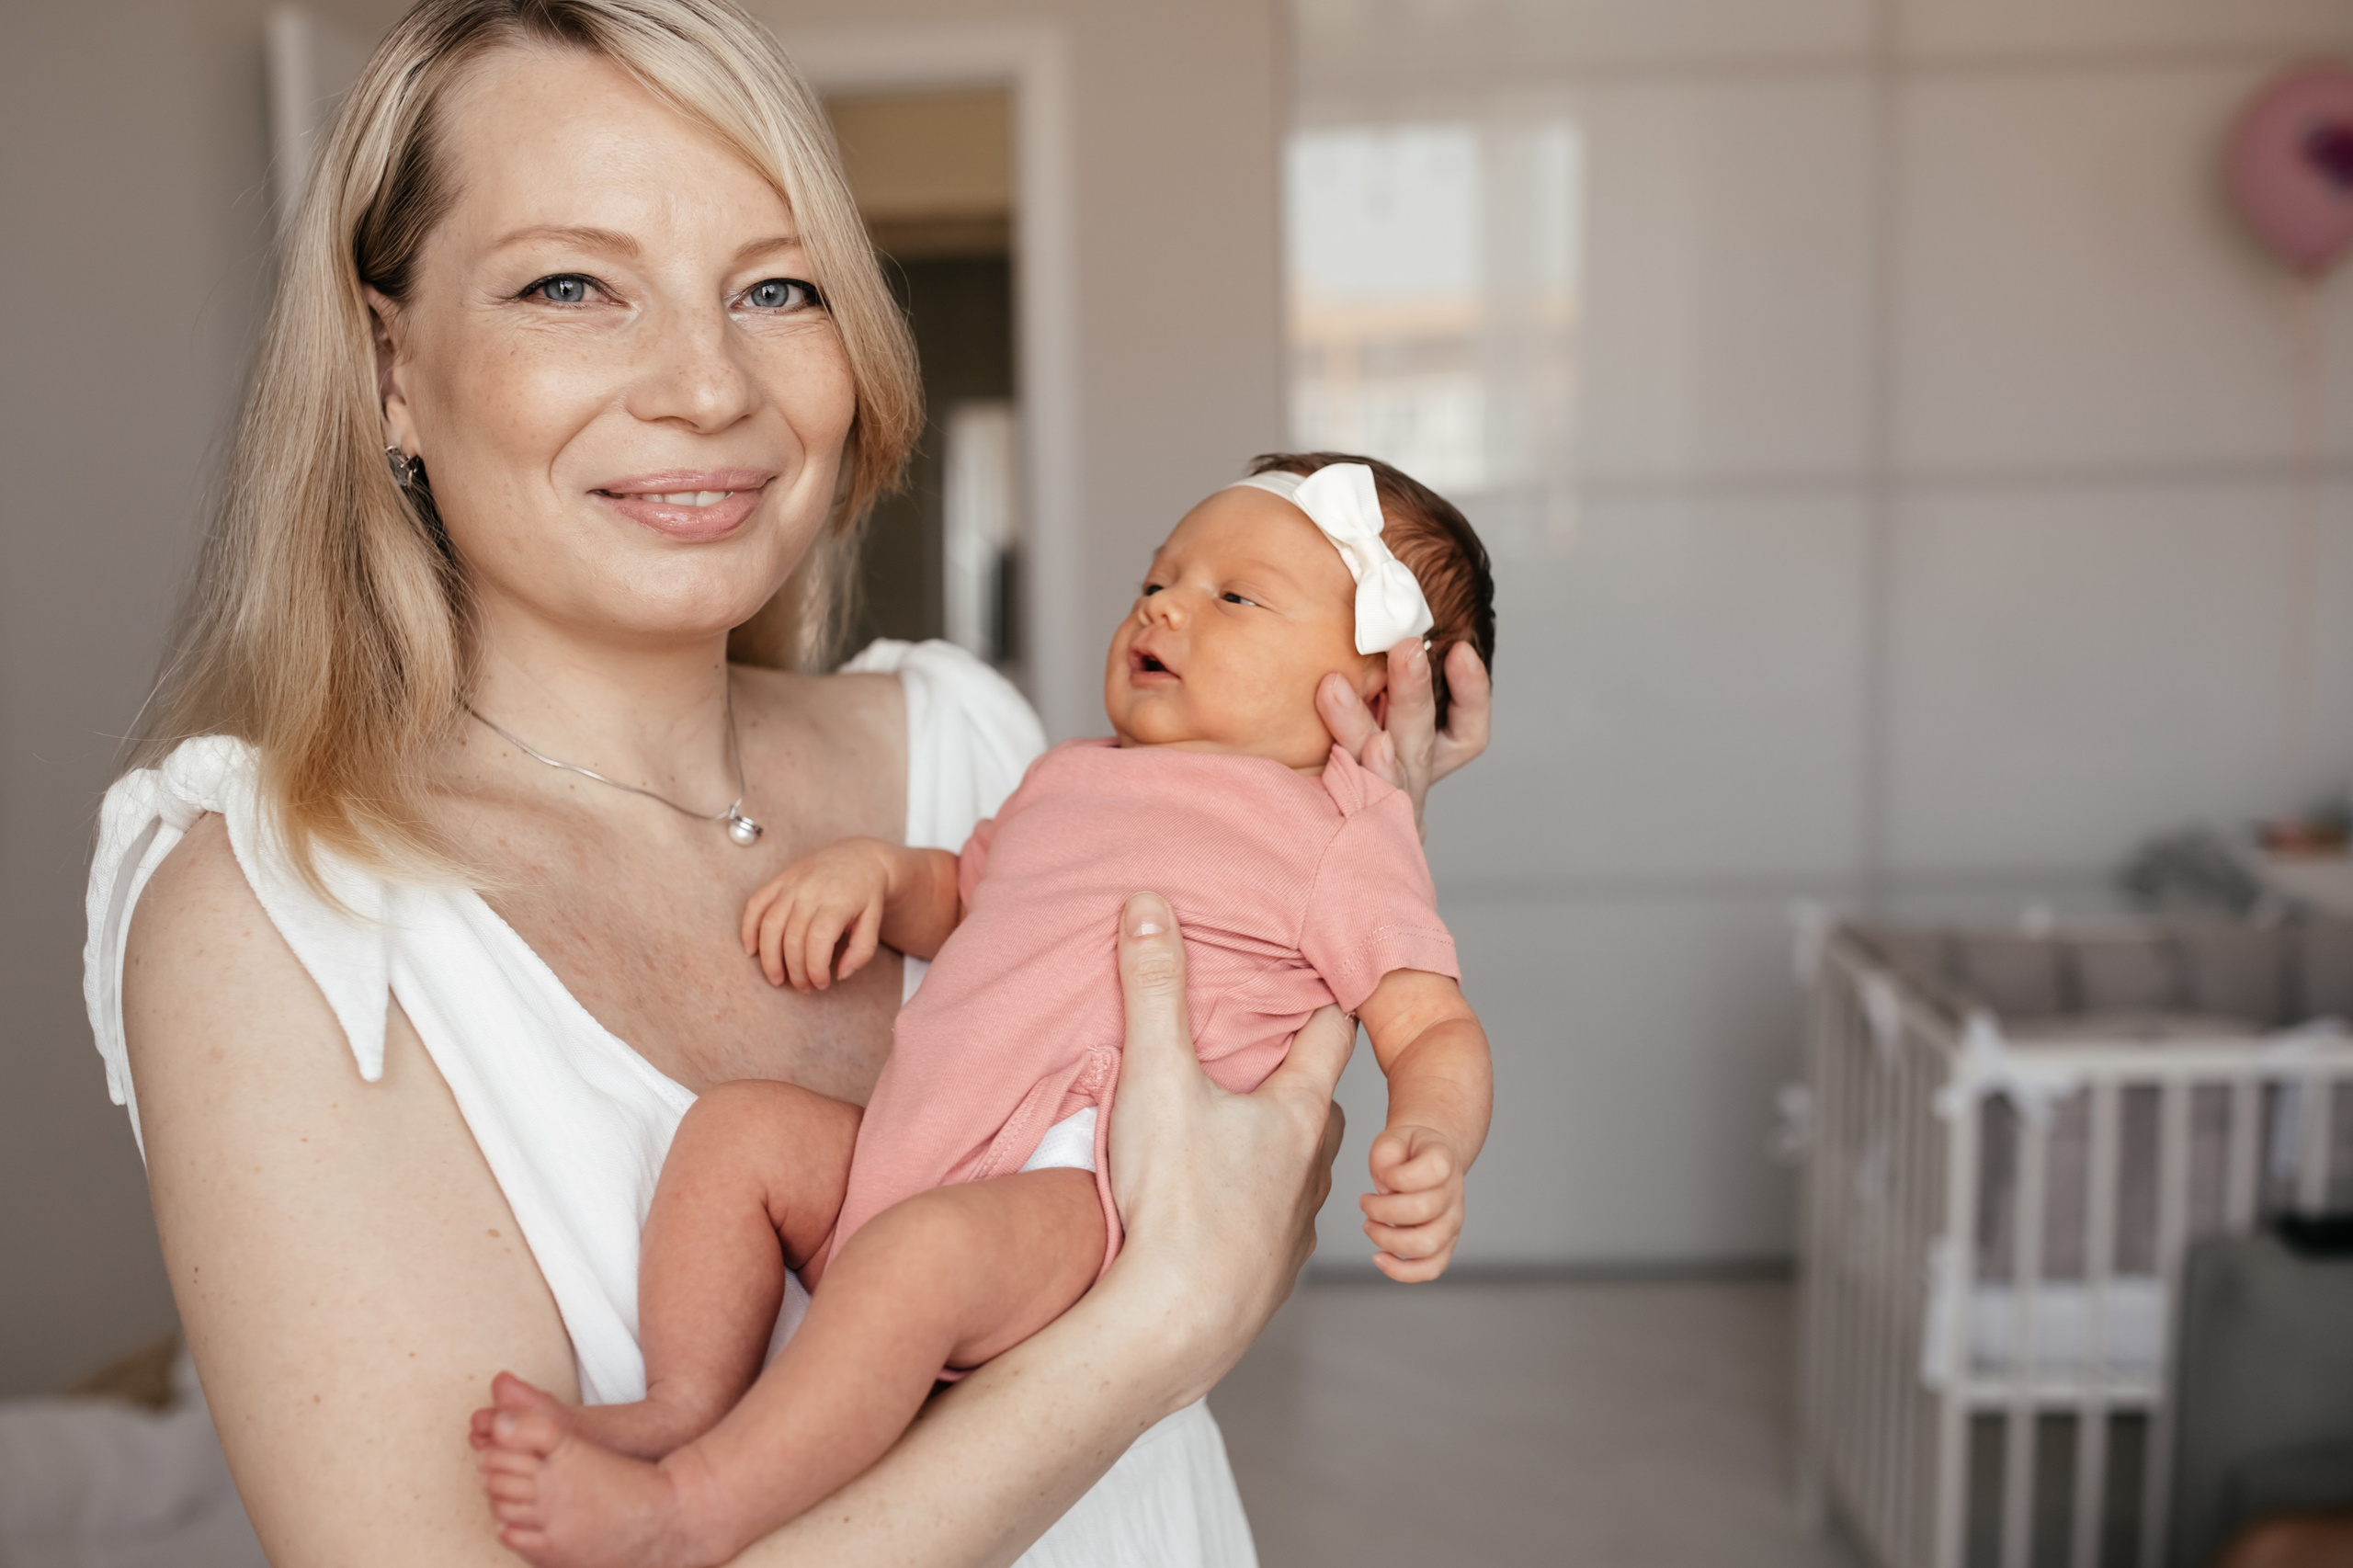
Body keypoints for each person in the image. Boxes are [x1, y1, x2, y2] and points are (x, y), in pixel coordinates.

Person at [77, 2, 1493, 1564]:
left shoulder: (964, 743)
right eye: (570, 283)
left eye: (777, 286)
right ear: (389, 366)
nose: (706, 386)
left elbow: (1230, 1068)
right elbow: (1175, 1281)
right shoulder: (278, 912)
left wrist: (1342, 785)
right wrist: (1154, 1334)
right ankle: (689, 1456)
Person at [472, 456, 1498, 1567]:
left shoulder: (1336, 836)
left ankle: (692, 1509)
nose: (1162, 604)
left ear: (1374, 688)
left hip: (1078, 1194)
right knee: (740, 1131)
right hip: (919, 1145)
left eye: (1235, 596)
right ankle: (683, 1398)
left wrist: (1433, 1138)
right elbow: (967, 894)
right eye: (1159, 577)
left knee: (915, 1263)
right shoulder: (1070, 774)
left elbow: (1429, 1021)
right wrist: (875, 876)